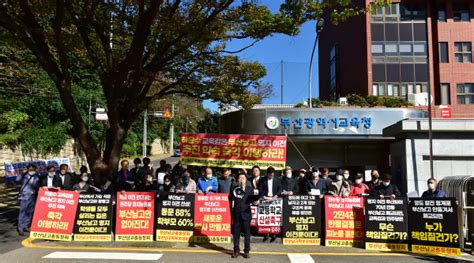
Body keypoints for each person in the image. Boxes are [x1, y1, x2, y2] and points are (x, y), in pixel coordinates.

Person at [230, 173, 259, 259]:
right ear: (237, 180)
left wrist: (256, 200)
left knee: (247, 233)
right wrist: (237, 188)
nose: (241, 179)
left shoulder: (250, 189)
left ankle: (247, 251)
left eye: (243, 178)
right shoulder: (234, 188)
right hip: (236, 213)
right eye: (240, 178)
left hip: (246, 213)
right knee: (236, 233)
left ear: (246, 179)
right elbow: (230, 198)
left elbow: (252, 200)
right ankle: (236, 250)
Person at [258, 166, 282, 243]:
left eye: (272, 175)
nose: (271, 176)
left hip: (274, 199)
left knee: (274, 217)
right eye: (269, 175)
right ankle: (266, 233)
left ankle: (273, 233)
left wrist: (276, 195)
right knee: (266, 216)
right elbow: (260, 189)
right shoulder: (262, 180)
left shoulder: (277, 179)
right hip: (265, 199)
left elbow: (280, 188)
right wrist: (263, 196)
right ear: (267, 174)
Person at [17, 164, 41, 236]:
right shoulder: (24, 176)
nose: (31, 171)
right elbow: (17, 179)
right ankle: (20, 228)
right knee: (23, 212)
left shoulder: (37, 176)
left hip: (33, 196)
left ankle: (26, 226)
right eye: (30, 169)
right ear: (27, 170)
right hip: (25, 196)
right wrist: (23, 173)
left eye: (33, 169)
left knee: (30, 212)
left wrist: (37, 172)